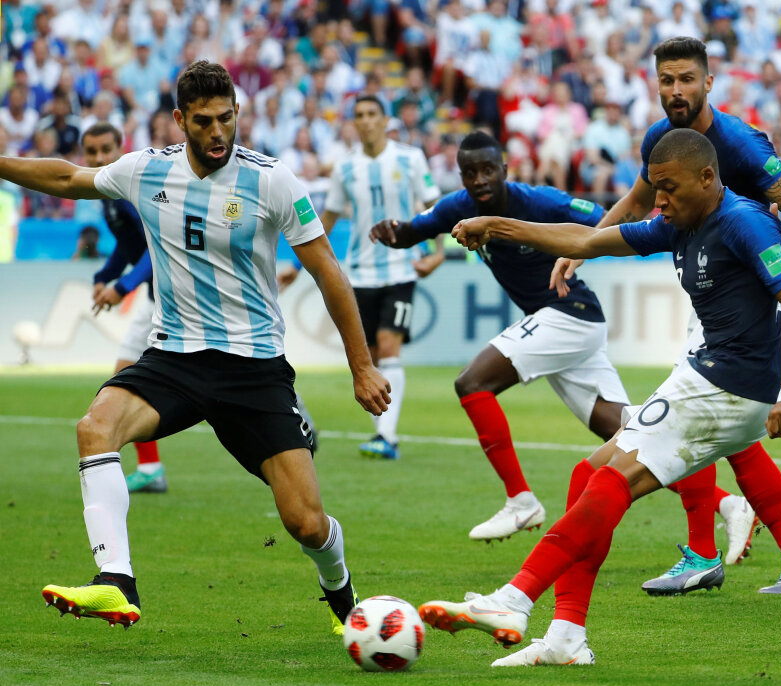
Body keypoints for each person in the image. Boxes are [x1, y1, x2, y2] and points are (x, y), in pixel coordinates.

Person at [4, 61, 390, 634]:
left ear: (239, 113)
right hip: (174, 359)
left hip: (253, 370)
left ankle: (341, 596)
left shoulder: (272, 180)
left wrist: (362, 367)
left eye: (227, 119)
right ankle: (116, 581)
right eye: (204, 121)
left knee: (307, 523)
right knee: (94, 427)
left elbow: (328, 271)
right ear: (180, 120)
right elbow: (68, 179)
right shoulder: (146, 171)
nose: (218, 133)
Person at [419, 127, 781, 666]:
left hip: (729, 388)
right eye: (655, 187)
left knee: (613, 481)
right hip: (704, 378)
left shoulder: (744, 222)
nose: (659, 201)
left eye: (669, 188)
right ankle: (566, 637)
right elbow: (584, 241)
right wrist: (494, 226)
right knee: (586, 476)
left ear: (708, 177)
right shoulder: (680, 220)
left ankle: (513, 600)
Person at [553, 37, 781, 588]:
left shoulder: (741, 145)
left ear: (708, 82)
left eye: (687, 80)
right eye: (667, 81)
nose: (677, 91)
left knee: (687, 415)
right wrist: (579, 247)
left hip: (749, 295)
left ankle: (707, 556)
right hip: (706, 286)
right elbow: (634, 202)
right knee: (725, 431)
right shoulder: (663, 140)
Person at [368, 131, 632, 542]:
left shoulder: (539, 202)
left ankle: (521, 502)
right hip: (564, 324)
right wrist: (392, 231)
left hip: (569, 313)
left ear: (504, 170)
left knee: (471, 382)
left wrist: (578, 255)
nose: (479, 180)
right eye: (469, 173)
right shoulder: (459, 207)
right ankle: (725, 503)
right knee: (627, 436)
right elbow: (413, 231)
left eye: (487, 170)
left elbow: (604, 217)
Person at [280, 96, 442, 461]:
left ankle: (387, 437)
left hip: (401, 269)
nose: (366, 121)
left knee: (388, 346)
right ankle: (382, 434)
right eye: (360, 116)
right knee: (370, 357)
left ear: (386, 120)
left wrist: (438, 253)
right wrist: (295, 263)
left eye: (373, 114)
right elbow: (327, 221)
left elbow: (435, 209)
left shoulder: (410, 159)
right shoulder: (346, 168)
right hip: (360, 273)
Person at [83, 122, 167, 493]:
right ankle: (150, 469)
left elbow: (155, 248)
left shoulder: (133, 191)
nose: (99, 158)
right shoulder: (107, 194)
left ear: (122, 148)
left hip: (174, 298)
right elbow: (127, 245)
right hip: (154, 298)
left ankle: (289, 408)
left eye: (106, 150)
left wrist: (122, 285)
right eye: (92, 152)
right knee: (123, 378)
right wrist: (105, 274)